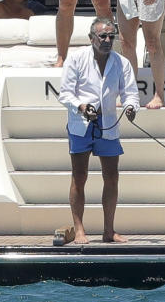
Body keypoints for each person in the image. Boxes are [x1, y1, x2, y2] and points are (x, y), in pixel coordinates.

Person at [58, 17, 139, 244]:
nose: (107, 40)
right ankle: (80, 229)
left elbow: (130, 93)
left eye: (111, 36)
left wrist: (132, 107)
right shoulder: (76, 58)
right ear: (91, 38)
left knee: (111, 176)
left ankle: (109, 230)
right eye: (102, 36)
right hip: (80, 125)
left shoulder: (121, 62)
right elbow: (65, 93)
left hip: (108, 123)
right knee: (80, 176)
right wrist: (81, 106)